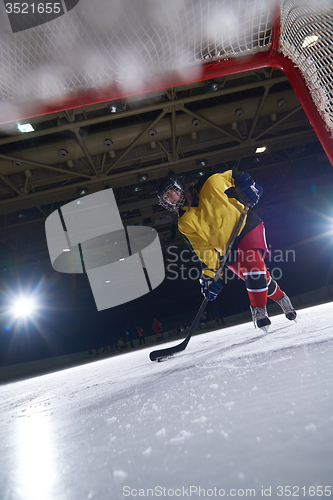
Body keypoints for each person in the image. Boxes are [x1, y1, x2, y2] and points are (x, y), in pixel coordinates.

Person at [156, 170, 296, 331]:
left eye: (170, 192)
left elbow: (234, 175)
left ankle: (259, 311)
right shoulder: (185, 223)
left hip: (246, 227)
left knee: (253, 268)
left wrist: (247, 183)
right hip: (227, 250)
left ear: (178, 186)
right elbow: (205, 251)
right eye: (166, 198)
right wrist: (209, 277)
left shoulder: (208, 185)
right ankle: (282, 299)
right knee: (259, 279)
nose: (170, 198)